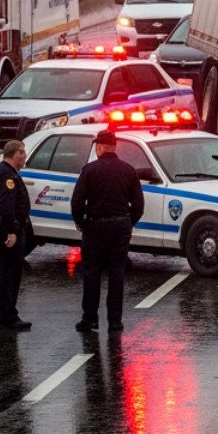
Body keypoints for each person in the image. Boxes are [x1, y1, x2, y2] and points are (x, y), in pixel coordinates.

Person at [71, 130, 144, 333]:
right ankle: (115, 321)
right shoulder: (129, 170)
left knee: (92, 272)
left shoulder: (89, 170)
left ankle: (90, 318)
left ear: (101, 147)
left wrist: (81, 222)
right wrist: (128, 222)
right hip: (120, 226)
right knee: (117, 273)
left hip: (95, 227)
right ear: (114, 147)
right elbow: (138, 204)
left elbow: (77, 202)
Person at [0, 139, 32, 331]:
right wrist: (11, 231)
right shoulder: (7, 176)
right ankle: (8, 315)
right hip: (5, 229)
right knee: (9, 273)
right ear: (15, 153)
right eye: (23, 154)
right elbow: (6, 207)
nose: (24, 158)